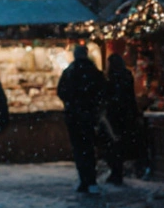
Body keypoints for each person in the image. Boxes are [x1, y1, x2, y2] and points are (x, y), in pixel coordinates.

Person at [57, 45, 107, 194]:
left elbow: (61, 92)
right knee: (90, 147)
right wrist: (93, 106)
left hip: (74, 116)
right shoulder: (94, 72)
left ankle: (84, 179)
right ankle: (91, 179)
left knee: (79, 148)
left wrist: (71, 103)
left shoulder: (69, 72)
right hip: (89, 115)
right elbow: (102, 91)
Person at [104, 54, 142, 186]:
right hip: (125, 115)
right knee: (120, 144)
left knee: (114, 145)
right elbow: (129, 97)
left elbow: (112, 97)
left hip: (115, 116)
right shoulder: (126, 76)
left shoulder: (112, 78)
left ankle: (116, 171)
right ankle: (118, 171)